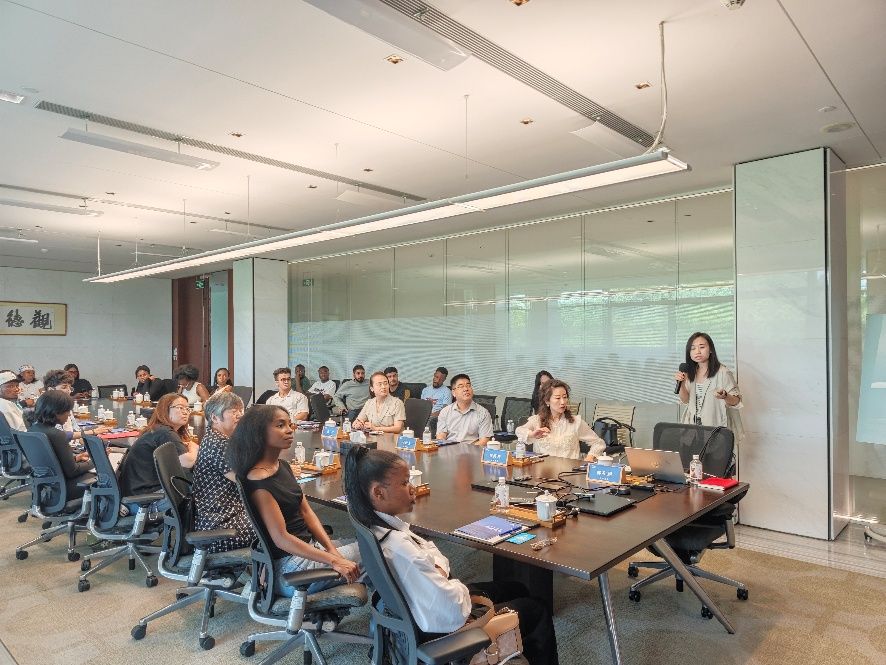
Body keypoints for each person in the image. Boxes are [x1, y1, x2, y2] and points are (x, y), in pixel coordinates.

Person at [343, 447, 559, 665]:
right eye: (404, 483)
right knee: (537, 610)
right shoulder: (401, 549)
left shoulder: (376, 527)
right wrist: (448, 577)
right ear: (378, 493)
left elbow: (431, 553)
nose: (412, 488)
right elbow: (453, 611)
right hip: (442, 628)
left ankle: (513, 650)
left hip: (419, 609)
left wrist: (439, 569)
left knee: (516, 588)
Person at [227, 405, 361, 597]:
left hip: (307, 550)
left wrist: (331, 550)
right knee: (381, 550)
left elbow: (306, 512)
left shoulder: (282, 466)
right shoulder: (259, 481)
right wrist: (333, 560)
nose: (289, 430)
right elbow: (281, 538)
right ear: (259, 433)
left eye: (289, 424)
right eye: (280, 425)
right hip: (291, 568)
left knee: (368, 546)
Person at [192, 391, 255, 553]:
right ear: (215, 418)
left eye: (241, 411)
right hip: (219, 526)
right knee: (277, 523)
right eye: (233, 412)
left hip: (227, 515)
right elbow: (247, 480)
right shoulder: (218, 444)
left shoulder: (217, 437)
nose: (240, 415)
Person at [118, 394, 198, 499]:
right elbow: (187, 462)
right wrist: (194, 448)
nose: (185, 412)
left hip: (135, 491)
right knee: (202, 487)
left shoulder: (158, 429)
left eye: (187, 409)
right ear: (165, 409)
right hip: (146, 496)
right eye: (180, 407)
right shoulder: (165, 433)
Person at [516, 379, 604, 461]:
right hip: (542, 470)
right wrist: (532, 434)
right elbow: (519, 431)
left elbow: (598, 443)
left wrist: (589, 458)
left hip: (569, 471)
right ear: (547, 401)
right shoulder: (537, 420)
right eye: (558, 398)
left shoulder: (576, 422)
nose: (563, 402)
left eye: (565, 397)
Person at [29, 390, 94, 500]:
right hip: (64, 487)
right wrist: (95, 462)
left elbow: (49, 461)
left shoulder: (33, 429)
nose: (69, 414)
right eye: (67, 411)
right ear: (56, 412)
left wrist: (75, 458)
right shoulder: (57, 435)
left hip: (46, 486)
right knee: (111, 475)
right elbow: (73, 472)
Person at [674, 332, 742, 427]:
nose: (697, 351)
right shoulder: (690, 372)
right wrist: (682, 383)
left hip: (715, 425)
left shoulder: (723, 372)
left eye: (702, 347)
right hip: (693, 424)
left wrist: (725, 396)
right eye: (693, 348)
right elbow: (685, 400)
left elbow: (736, 401)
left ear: (710, 350)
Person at [42, 369, 109, 440]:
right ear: (51, 389)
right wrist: (92, 432)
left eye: (70, 388)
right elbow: (60, 435)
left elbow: (76, 429)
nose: (69, 391)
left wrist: (90, 437)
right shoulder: (48, 409)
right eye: (64, 387)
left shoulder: (66, 406)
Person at [436, 373, 494, 445]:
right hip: (449, 449)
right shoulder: (445, 411)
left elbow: (484, 441)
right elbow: (441, 437)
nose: (466, 389)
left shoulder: (483, 413)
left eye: (468, 386)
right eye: (461, 386)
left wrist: (466, 450)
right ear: (453, 393)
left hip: (472, 450)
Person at [419, 367, 451, 434]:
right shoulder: (425, 390)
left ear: (444, 379)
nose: (437, 380)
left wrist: (430, 415)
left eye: (440, 379)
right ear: (434, 375)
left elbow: (445, 410)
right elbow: (421, 406)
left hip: (435, 417)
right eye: (436, 377)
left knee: (430, 421)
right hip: (423, 415)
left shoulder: (447, 391)